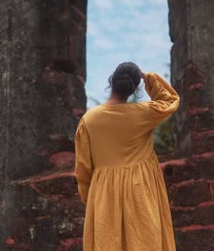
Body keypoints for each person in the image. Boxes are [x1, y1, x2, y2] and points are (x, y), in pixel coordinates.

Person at [75, 62, 180, 251]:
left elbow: (83, 168)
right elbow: (170, 100)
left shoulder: (89, 120)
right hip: (140, 191)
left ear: (111, 81)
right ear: (135, 88)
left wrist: (90, 198)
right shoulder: (143, 113)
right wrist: (148, 77)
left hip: (104, 193)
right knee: (146, 242)